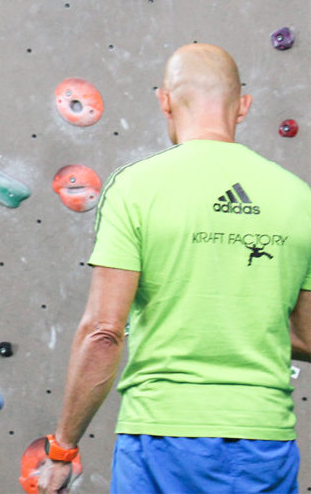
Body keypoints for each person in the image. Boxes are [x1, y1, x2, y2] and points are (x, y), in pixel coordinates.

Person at [38, 43, 311, 494]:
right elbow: (306, 336)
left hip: (161, 436)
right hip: (263, 438)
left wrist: (63, 447)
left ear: (164, 100)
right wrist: (241, 318)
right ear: (243, 106)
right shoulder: (298, 198)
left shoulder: (136, 189)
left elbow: (104, 332)